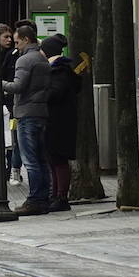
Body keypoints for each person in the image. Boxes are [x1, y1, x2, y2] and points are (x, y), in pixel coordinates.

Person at [2, 23, 50, 215]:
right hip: (41, 112)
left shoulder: (24, 60)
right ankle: (44, 197)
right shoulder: (41, 57)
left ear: (26, 40)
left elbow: (18, 86)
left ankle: (35, 200)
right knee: (41, 159)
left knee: (30, 160)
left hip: (26, 113)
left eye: (17, 42)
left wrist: (1, 83)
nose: (16, 46)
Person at [41, 34, 79, 212]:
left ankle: (61, 196)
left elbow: (55, 94)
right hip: (57, 121)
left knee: (58, 159)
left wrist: (42, 92)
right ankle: (56, 194)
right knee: (53, 158)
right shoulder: (62, 70)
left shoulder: (59, 71)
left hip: (60, 122)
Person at [1, 22, 24, 185]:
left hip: (14, 105)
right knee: (11, 137)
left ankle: (13, 169)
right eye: (6, 37)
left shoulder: (14, 54)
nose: (9, 41)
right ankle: (11, 169)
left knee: (13, 137)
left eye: (12, 38)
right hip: (8, 105)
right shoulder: (10, 55)